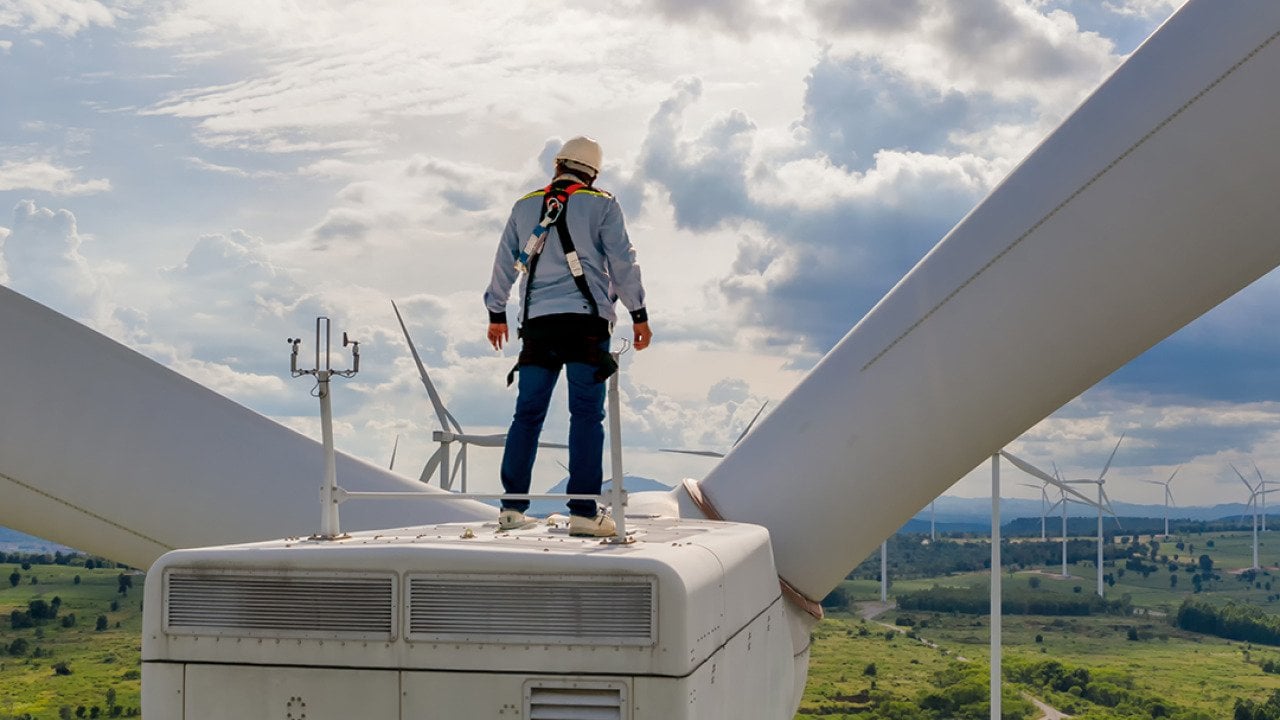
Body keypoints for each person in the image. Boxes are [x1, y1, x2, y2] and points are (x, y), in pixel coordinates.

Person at [484, 136, 652, 537]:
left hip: (538, 326)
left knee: (526, 415)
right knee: (586, 416)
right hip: (586, 325)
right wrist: (639, 314)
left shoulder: (525, 205)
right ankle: (583, 510)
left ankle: (511, 508)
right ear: (592, 172)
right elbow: (622, 261)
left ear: (557, 166)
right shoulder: (602, 203)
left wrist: (496, 313)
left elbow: (506, 260)